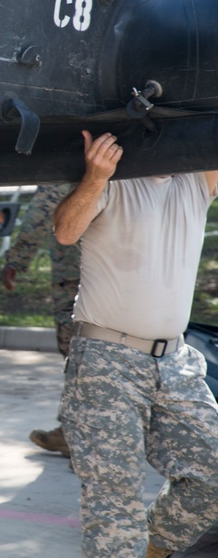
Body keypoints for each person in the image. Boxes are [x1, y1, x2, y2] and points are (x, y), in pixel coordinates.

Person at [53, 130, 218, 558]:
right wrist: (94, 177)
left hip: (176, 363)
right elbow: (66, 231)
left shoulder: (195, 181)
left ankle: (153, 547)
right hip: (108, 362)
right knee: (114, 502)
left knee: (212, 473)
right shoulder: (114, 181)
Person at [0, 183, 79, 457]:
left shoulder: (68, 159)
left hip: (77, 275)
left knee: (78, 355)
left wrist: (16, 261)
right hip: (131, 275)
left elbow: (41, 211)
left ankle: (76, 434)